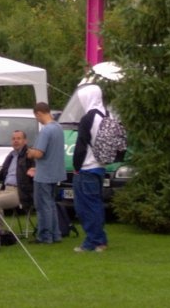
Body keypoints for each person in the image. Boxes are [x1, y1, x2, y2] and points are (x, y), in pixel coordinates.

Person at [72, 84, 109, 252]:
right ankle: (100, 239)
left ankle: (93, 241)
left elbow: (81, 146)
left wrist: (76, 166)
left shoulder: (88, 118)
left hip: (86, 167)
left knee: (85, 208)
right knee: (96, 205)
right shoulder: (106, 114)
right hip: (100, 167)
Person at [27, 102, 66, 244]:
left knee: (43, 206)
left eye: (36, 117)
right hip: (56, 172)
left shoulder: (46, 131)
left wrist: (30, 152)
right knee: (51, 204)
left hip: (44, 174)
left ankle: (45, 236)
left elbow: (39, 153)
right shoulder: (59, 128)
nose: (37, 119)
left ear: (39, 113)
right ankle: (56, 234)